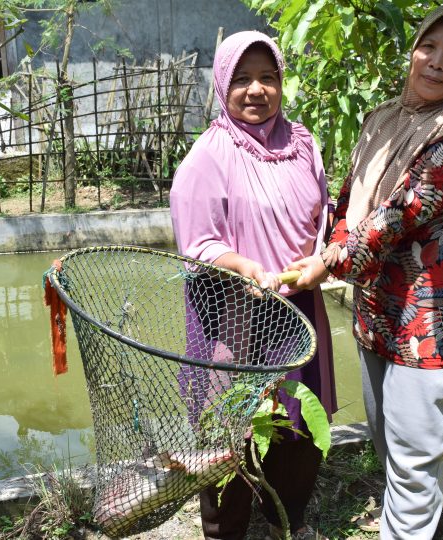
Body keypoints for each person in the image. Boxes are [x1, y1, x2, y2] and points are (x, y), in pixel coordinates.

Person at [286, 4, 443, 539]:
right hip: (380, 309)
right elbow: (348, 202)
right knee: (390, 443)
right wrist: (330, 247)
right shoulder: (383, 119)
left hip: (435, 319)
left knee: (415, 459)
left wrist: (331, 262)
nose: (436, 62)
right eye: (430, 46)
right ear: (413, 48)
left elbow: (405, 209)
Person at [169, 30, 336, 540]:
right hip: (232, 315)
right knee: (229, 433)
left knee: (298, 427)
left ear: (281, 83)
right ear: (223, 85)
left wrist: (321, 263)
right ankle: (226, 530)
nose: (256, 90)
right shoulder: (209, 156)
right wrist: (245, 267)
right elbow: (197, 242)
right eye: (242, 79)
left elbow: (323, 216)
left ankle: (286, 519)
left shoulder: (303, 144)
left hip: (298, 306)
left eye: (267, 77)